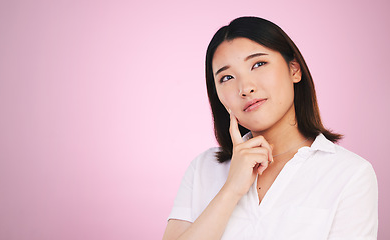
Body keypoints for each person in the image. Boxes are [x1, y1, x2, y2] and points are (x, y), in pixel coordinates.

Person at [162, 16, 378, 240]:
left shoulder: (350, 174)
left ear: (294, 69)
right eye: (227, 77)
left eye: (258, 64)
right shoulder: (203, 168)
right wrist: (231, 190)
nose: (245, 88)